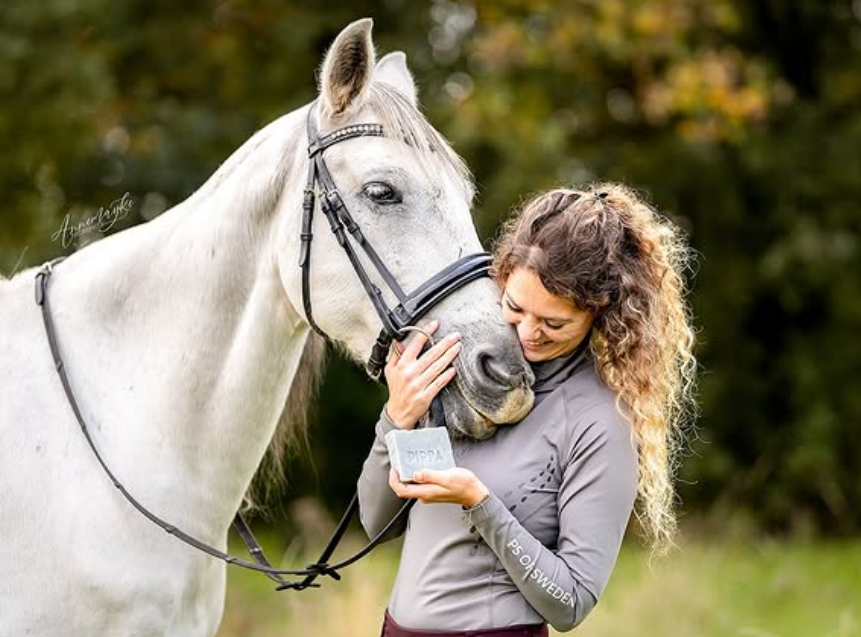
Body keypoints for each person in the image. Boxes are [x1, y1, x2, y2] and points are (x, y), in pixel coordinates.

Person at [357, 184, 697, 636]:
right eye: (514, 307)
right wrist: (396, 418)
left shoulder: (598, 423)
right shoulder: (463, 373)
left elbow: (571, 604)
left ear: (600, 314)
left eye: (554, 322)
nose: (528, 333)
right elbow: (376, 524)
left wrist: (479, 502)